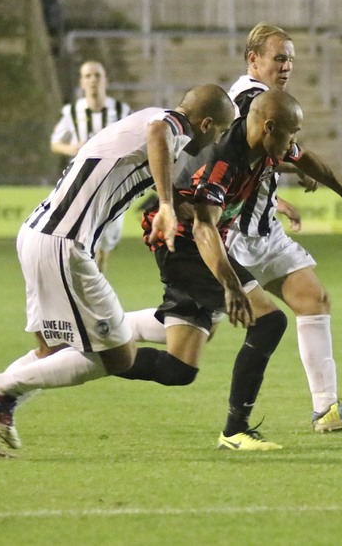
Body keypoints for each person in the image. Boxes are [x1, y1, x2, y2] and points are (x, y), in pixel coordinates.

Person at [0, 85, 235, 458]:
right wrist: (164, 204)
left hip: (40, 234)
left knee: (52, 351)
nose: (220, 139)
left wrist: (182, 211)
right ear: (207, 123)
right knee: (120, 356)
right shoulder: (169, 125)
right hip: (64, 243)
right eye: (222, 131)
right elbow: (159, 135)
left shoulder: (151, 120)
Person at [170, 23, 342, 433]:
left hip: (265, 231)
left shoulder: (271, 106)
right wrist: (332, 185)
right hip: (232, 234)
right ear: (254, 60)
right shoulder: (250, 103)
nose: (286, 66)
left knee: (313, 300)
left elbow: (288, 155)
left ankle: (327, 410)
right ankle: (108, 334)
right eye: (278, 57)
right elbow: (237, 158)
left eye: (290, 59)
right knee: (193, 333)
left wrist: (300, 181)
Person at [120, 89, 308, 451]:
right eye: (292, 132)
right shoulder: (224, 159)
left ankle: (95, 342)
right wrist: (232, 286)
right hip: (181, 241)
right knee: (269, 321)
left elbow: (305, 158)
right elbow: (202, 226)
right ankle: (236, 429)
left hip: (200, 240)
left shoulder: (266, 146)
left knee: (179, 369)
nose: (294, 141)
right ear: (268, 126)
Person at [50, 61, 133, 272]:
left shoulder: (121, 110)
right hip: (82, 181)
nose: (93, 80)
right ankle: (86, 278)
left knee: (108, 238)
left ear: (105, 80)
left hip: (113, 181)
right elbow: (55, 143)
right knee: (83, 233)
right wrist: (71, 149)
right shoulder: (72, 112)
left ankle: (99, 271)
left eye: (97, 75)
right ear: (82, 82)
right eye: (88, 76)